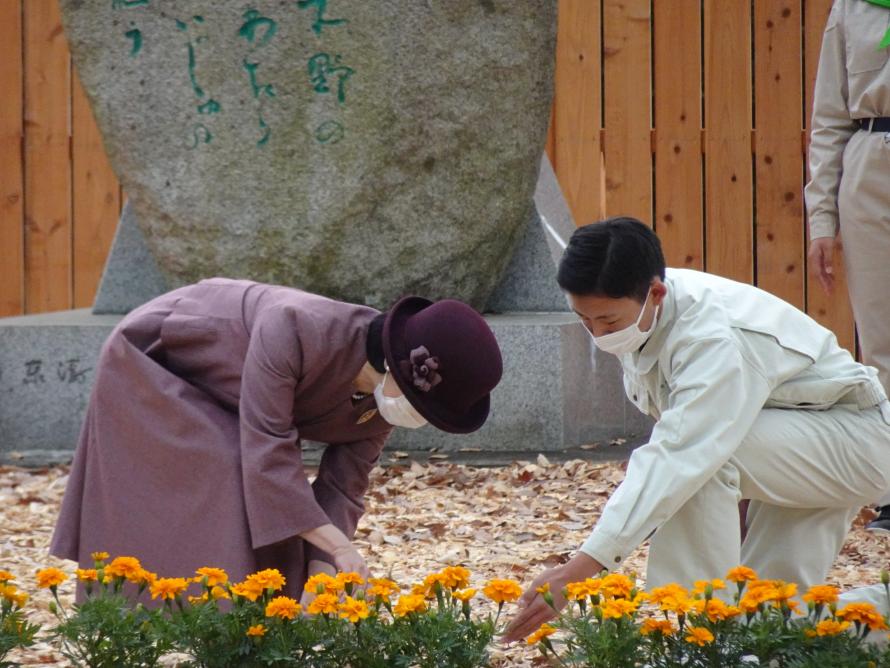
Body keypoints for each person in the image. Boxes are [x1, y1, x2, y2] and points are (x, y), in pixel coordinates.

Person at [504, 217, 890, 642]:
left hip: (856, 437)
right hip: (800, 441)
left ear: (656, 293)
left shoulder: (710, 335)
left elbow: (682, 454)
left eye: (609, 323)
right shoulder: (644, 315)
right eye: (585, 321)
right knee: (767, 627)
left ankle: (692, 640)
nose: (598, 335)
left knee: (699, 468)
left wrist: (580, 569)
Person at [51, 278, 502, 598]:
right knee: (235, 470)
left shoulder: (383, 404)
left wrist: (323, 577)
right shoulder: (293, 327)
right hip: (156, 359)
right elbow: (266, 452)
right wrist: (340, 549)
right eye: (424, 406)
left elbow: (343, 487)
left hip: (229, 398)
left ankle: (270, 620)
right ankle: (188, 614)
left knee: (286, 514)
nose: (417, 418)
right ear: (399, 366)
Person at [805, 0, 890, 533]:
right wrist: (822, 220)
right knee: (881, 339)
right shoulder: (851, 7)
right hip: (870, 165)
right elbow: (829, 119)